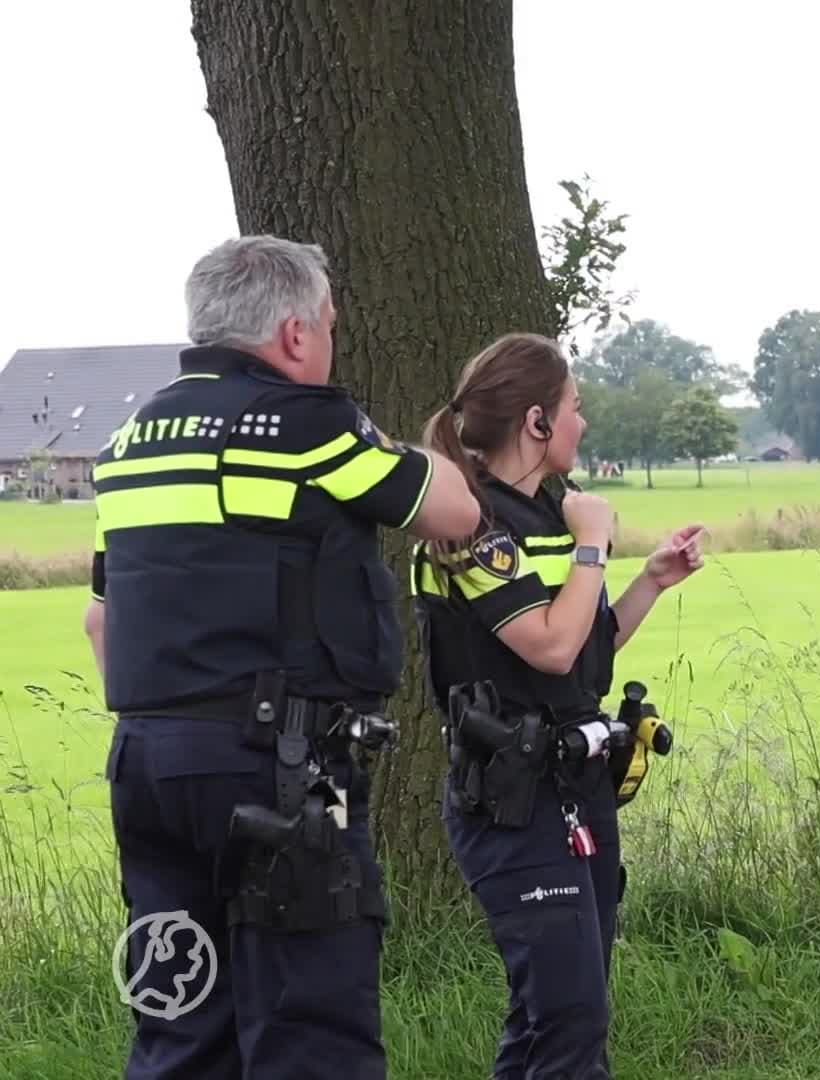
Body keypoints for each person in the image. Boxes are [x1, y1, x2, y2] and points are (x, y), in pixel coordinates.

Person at [83, 234, 482, 1078]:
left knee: (179, 1023)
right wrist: (378, 435)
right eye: (330, 326)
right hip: (281, 770)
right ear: (296, 334)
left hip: (149, 769)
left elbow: (100, 623)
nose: (332, 343)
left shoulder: (128, 442)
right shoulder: (308, 423)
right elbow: (452, 512)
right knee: (311, 1034)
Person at [409, 331, 704, 1079]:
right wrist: (595, 543)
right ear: (538, 421)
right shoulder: (470, 526)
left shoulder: (551, 516)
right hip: (512, 804)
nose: (585, 423)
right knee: (571, 1021)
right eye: (577, 407)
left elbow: (584, 652)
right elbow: (548, 646)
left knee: (552, 1016)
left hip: (577, 789)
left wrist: (650, 583)